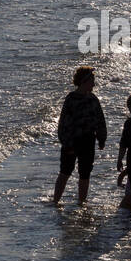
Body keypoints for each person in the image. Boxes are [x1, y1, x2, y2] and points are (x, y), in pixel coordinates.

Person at [52, 66, 106, 206]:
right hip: (72, 141)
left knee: (85, 174)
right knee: (65, 172)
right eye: (92, 81)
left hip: (88, 141)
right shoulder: (71, 99)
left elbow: (100, 120)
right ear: (84, 81)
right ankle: (55, 201)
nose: (94, 84)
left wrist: (102, 138)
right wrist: (66, 144)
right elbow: (63, 123)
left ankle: (81, 203)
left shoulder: (93, 99)